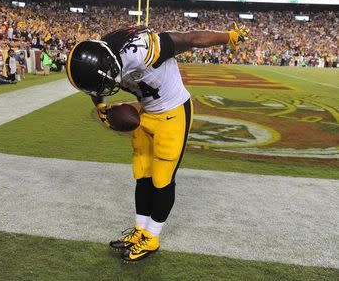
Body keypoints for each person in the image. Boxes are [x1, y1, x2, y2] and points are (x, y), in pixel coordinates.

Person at [66, 23, 250, 262]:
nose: (104, 88)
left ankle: (151, 237)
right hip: (146, 112)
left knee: (162, 178)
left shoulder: (142, 49)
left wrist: (228, 37)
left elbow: (191, 37)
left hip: (173, 113)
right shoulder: (101, 59)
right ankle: (139, 230)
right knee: (142, 172)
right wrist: (100, 105)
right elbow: (96, 86)